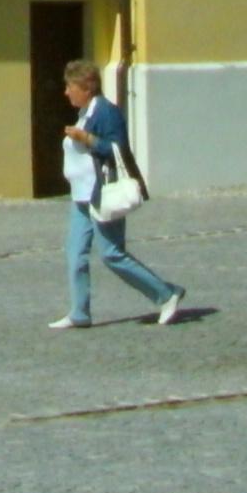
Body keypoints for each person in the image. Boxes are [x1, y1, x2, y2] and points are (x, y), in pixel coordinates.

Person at [50, 58, 185, 329]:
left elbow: (118, 149)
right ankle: (79, 312)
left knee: (112, 254)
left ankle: (166, 293)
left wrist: (86, 139)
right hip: (80, 197)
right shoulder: (86, 112)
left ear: (87, 87)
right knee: (75, 255)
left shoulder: (106, 112)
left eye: (70, 86)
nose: (66, 92)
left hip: (102, 194)